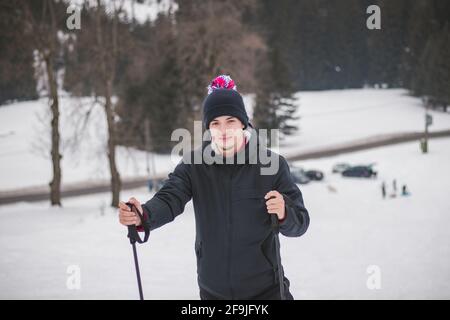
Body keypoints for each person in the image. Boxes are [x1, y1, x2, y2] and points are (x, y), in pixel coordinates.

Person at [118, 75, 310, 300]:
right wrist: (144, 214)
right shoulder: (194, 165)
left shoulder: (272, 165)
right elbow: (170, 198)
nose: (224, 130)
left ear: (243, 123)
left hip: (266, 293)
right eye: (215, 123)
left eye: (230, 121)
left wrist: (285, 211)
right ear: (209, 128)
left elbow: (301, 222)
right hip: (212, 293)